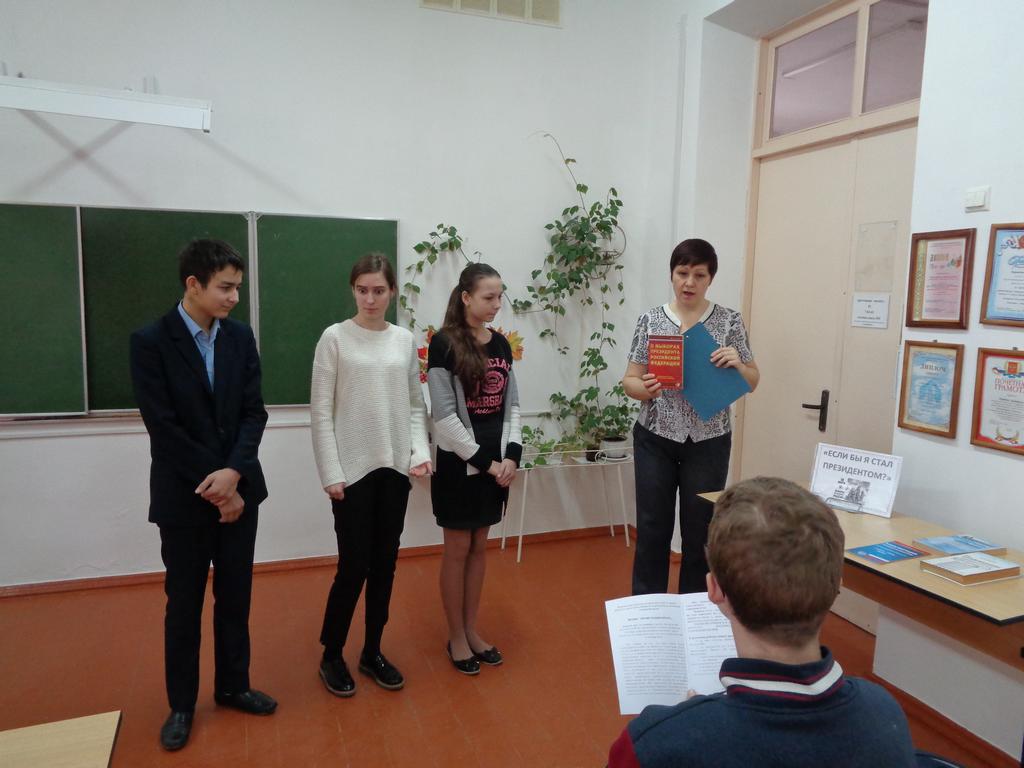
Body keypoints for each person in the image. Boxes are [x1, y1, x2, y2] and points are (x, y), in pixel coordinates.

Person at [608, 477, 917, 767]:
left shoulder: (655, 744)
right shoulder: (884, 715)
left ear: (714, 589)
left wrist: (695, 719)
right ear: (837, 584)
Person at [129, 239, 275, 752]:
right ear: (193, 284)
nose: (234, 297)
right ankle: (182, 705)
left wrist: (233, 473)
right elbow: (163, 428)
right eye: (225, 287)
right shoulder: (151, 341)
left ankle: (234, 685)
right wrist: (217, 486)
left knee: (235, 597)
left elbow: (254, 412)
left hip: (240, 491)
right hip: (184, 498)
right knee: (184, 603)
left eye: (237, 287)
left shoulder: (240, 337)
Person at [310, 253, 432, 697]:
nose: (370, 298)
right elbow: (321, 412)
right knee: (353, 566)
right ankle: (331, 654)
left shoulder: (403, 340)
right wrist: (330, 471)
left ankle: (372, 651)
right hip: (351, 473)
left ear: (392, 292)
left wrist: (419, 452)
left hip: (394, 470)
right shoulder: (334, 338)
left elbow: (415, 406)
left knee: (385, 565)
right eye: (362, 290)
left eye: (379, 290)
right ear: (353, 290)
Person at [622, 238, 759, 595]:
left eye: (699, 275)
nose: (689, 282)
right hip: (655, 437)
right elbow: (630, 380)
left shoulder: (729, 321)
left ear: (711, 278)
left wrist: (738, 364)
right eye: (682, 273)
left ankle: (695, 611)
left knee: (701, 529)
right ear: (672, 274)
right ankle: (649, 610)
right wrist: (645, 388)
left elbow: (753, 380)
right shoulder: (651, 320)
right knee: (652, 527)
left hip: (709, 440)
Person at [427, 262, 521, 675]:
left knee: (480, 547)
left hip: (495, 467)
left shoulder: (500, 344)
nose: (496, 304)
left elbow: (512, 405)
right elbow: (445, 419)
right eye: (488, 297)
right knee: (457, 550)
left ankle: (471, 629)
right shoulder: (443, 344)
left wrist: (512, 456)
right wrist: (488, 464)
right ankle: (456, 637)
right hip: (460, 468)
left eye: (500, 296)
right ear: (466, 297)